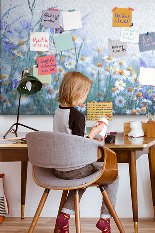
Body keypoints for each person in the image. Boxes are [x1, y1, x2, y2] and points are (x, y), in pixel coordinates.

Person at [53, 71, 119, 233]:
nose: (85, 98)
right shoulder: (77, 116)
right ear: (77, 93)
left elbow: (69, 138)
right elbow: (80, 147)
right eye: (85, 94)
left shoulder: (58, 112)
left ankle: (65, 215)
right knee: (113, 176)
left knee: (82, 177)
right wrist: (92, 135)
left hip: (59, 169)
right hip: (74, 169)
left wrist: (87, 136)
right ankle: (105, 219)